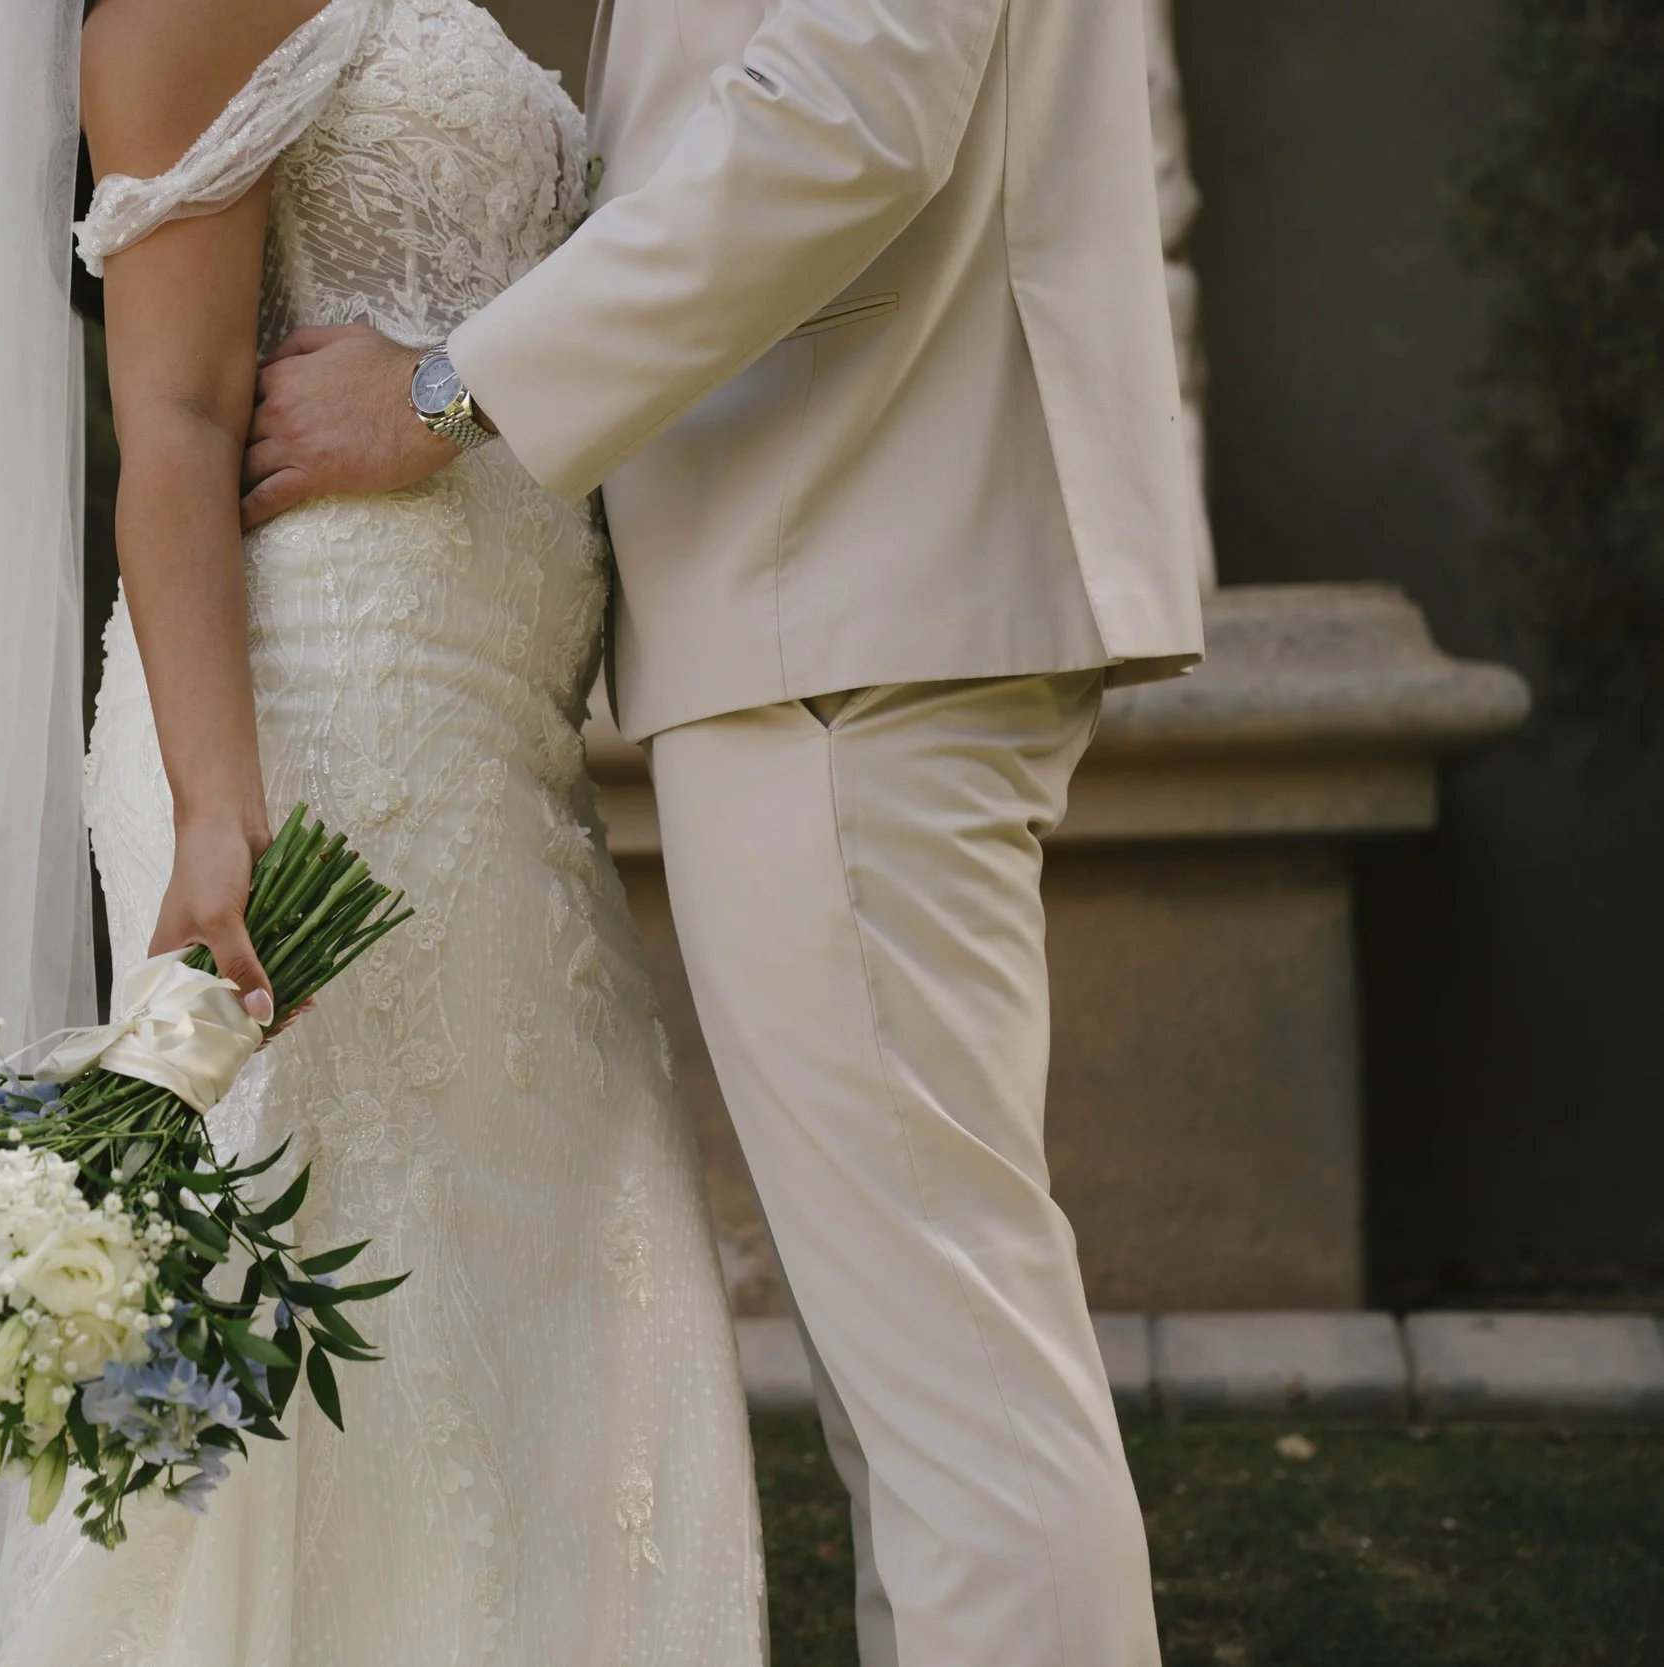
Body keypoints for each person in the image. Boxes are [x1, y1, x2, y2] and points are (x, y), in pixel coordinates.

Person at [0, 1, 766, 1662]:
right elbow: (170, 422)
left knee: (557, 1284)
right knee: (354, 1321)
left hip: (496, 730)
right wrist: (220, 808)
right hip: (329, 720)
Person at [239, 0, 1209, 1662]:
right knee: (920, 1375)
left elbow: (846, 112)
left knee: (955, 1377)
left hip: (852, 567)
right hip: (851, 581)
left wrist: (451, 388)